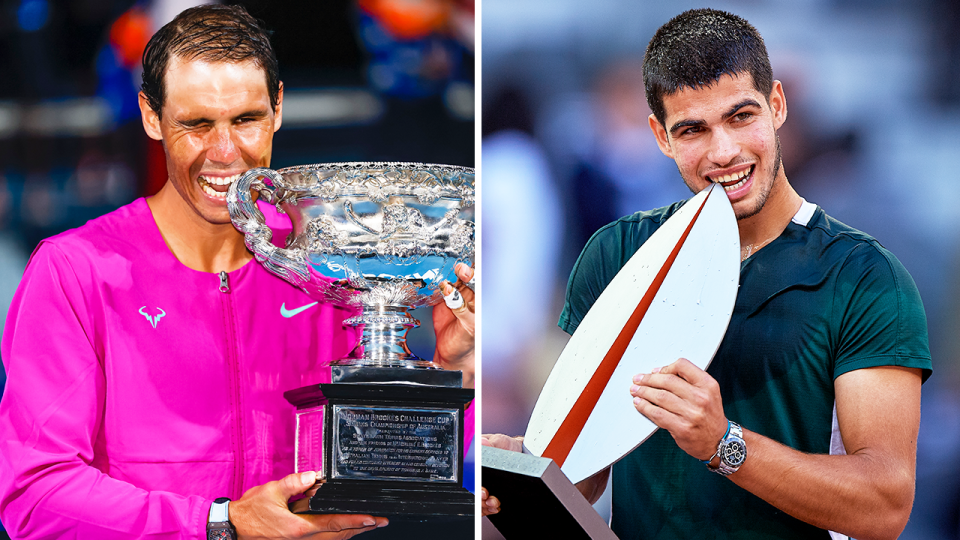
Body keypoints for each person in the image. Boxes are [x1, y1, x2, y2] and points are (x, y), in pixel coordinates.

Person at [0, 5, 475, 540]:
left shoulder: (328, 268)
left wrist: (449, 367)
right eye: (197, 124)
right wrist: (219, 524)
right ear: (151, 117)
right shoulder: (75, 271)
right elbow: (34, 495)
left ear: (276, 109)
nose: (224, 154)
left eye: (245, 120)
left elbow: (390, 469)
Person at [482, 8, 930, 540]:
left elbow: (884, 506)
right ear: (660, 136)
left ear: (778, 105)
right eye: (692, 129)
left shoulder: (866, 277)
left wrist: (724, 444)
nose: (724, 152)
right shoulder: (618, 252)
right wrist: (522, 473)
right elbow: (586, 474)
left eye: (741, 117)